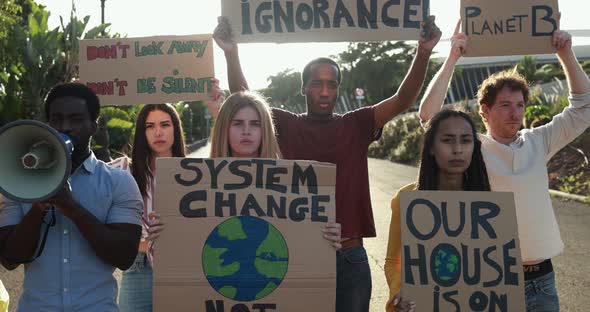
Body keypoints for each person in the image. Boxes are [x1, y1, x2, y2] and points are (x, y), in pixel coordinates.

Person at [212, 16, 441, 311]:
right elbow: (245, 97)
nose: (324, 92)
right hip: (298, 256)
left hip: (350, 257)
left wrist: (423, 52)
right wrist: (231, 53)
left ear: (337, 89)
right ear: (303, 87)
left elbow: (403, 99)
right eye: (317, 84)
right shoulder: (284, 124)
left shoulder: (357, 124)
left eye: (331, 85)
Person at [418, 23, 590, 312]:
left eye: (520, 105)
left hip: (543, 280)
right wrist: (452, 57)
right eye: (506, 105)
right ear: (484, 111)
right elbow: (428, 116)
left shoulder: (539, 140)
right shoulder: (473, 147)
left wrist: (565, 53)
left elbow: (584, 107)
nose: (516, 112)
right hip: (494, 282)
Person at [0, 83, 143, 311]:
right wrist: (39, 207)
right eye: (56, 119)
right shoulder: (19, 184)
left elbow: (124, 257)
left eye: (76, 119)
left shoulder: (118, 183)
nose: (65, 127)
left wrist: (72, 208)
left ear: (93, 127)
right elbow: (9, 259)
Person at [384, 109, 491, 312]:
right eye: (448, 140)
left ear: (474, 148)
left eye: (466, 140)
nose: (458, 149)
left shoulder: (489, 206)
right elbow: (392, 262)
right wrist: (399, 293)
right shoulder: (406, 200)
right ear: (431, 147)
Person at [208, 90, 342, 249]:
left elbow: (301, 243)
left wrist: (326, 237)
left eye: (255, 124)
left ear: (265, 129)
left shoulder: (292, 183)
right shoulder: (201, 183)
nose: (246, 131)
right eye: (237, 123)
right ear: (224, 129)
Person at [109, 103, 185, 311]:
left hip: (182, 265)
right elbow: (87, 177)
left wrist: (215, 108)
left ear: (176, 129)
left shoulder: (194, 173)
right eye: (150, 126)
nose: (158, 132)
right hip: (138, 266)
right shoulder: (124, 169)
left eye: (165, 124)